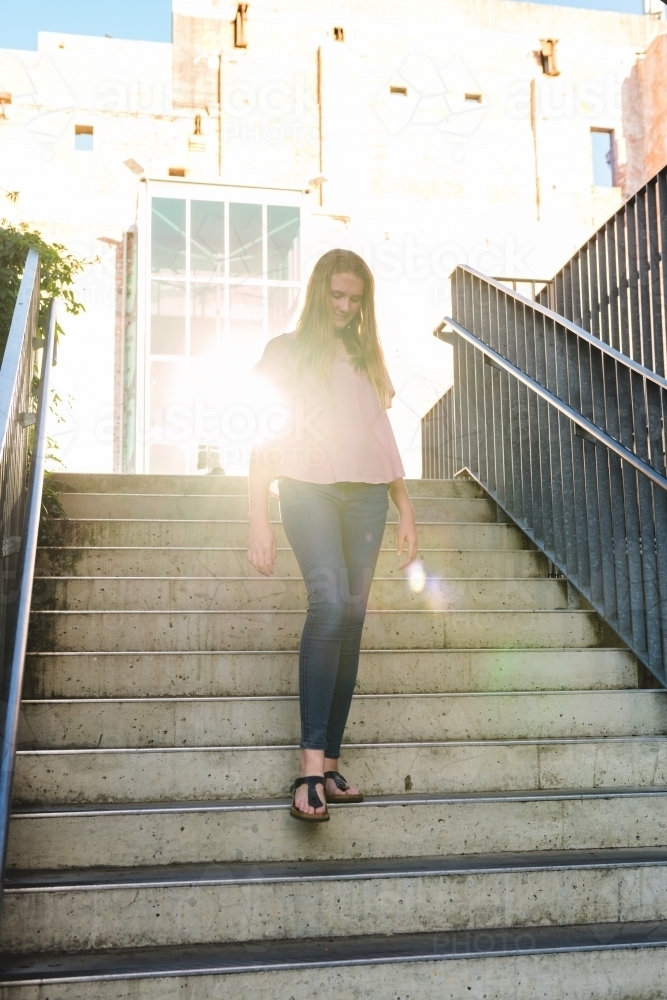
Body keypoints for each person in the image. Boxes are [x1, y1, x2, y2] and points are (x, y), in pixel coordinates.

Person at [247, 249, 418, 822]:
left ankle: (333, 761)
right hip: (305, 489)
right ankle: (309, 770)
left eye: (355, 299)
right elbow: (262, 435)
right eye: (336, 295)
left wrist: (407, 510)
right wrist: (257, 518)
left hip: (366, 495)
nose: (345, 307)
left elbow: (381, 436)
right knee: (327, 605)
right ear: (319, 290)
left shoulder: (367, 357)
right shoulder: (285, 351)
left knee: (351, 617)